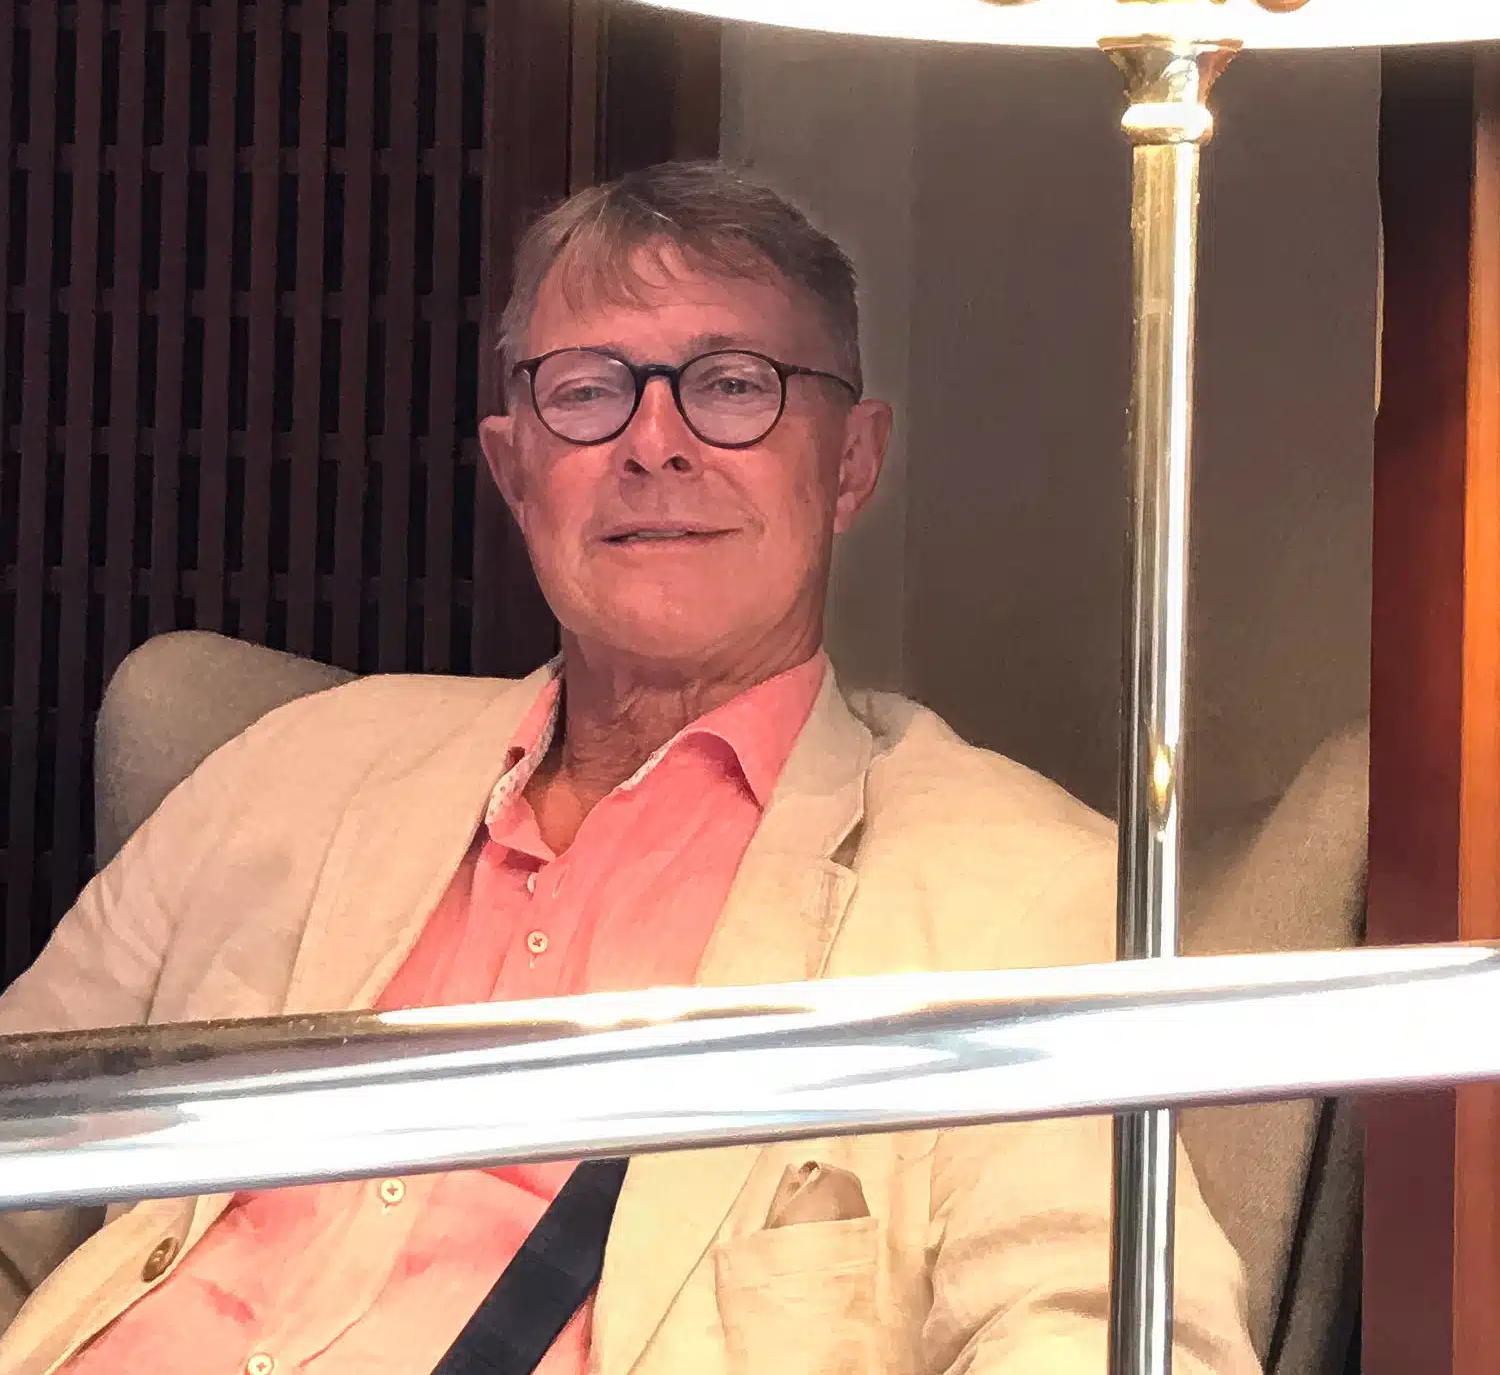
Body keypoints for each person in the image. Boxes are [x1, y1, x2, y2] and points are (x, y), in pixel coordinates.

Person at [0, 162, 1258, 1374]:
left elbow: (1112, 1331)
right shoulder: (292, 766)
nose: (656, 443)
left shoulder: (1022, 895)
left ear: (851, 464)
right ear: (515, 468)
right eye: (589, 390)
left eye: (735, 385)